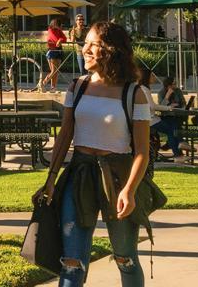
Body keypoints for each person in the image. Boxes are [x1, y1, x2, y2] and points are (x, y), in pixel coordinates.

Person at [33, 21, 150, 287]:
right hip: (80, 174)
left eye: (91, 44)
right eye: (84, 43)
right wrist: (51, 179)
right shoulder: (77, 86)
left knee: (125, 259)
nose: (83, 49)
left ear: (109, 50)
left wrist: (130, 190)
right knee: (72, 263)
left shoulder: (134, 94)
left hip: (119, 178)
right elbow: (65, 137)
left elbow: (142, 151)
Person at [138, 68, 190, 166]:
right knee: (171, 129)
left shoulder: (177, 91)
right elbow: (153, 106)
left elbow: (182, 102)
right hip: (150, 120)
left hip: (153, 117)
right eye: (152, 76)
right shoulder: (146, 90)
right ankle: (178, 152)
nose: (154, 77)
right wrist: (168, 107)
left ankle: (180, 146)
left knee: (173, 123)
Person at [40, 18, 67, 91]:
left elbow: (65, 38)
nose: (61, 26)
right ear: (55, 24)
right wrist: (58, 40)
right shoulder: (50, 30)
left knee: (56, 71)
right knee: (53, 70)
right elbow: (54, 39)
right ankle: (42, 83)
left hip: (59, 51)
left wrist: (60, 40)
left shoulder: (59, 30)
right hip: (52, 51)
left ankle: (53, 87)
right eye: (59, 25)